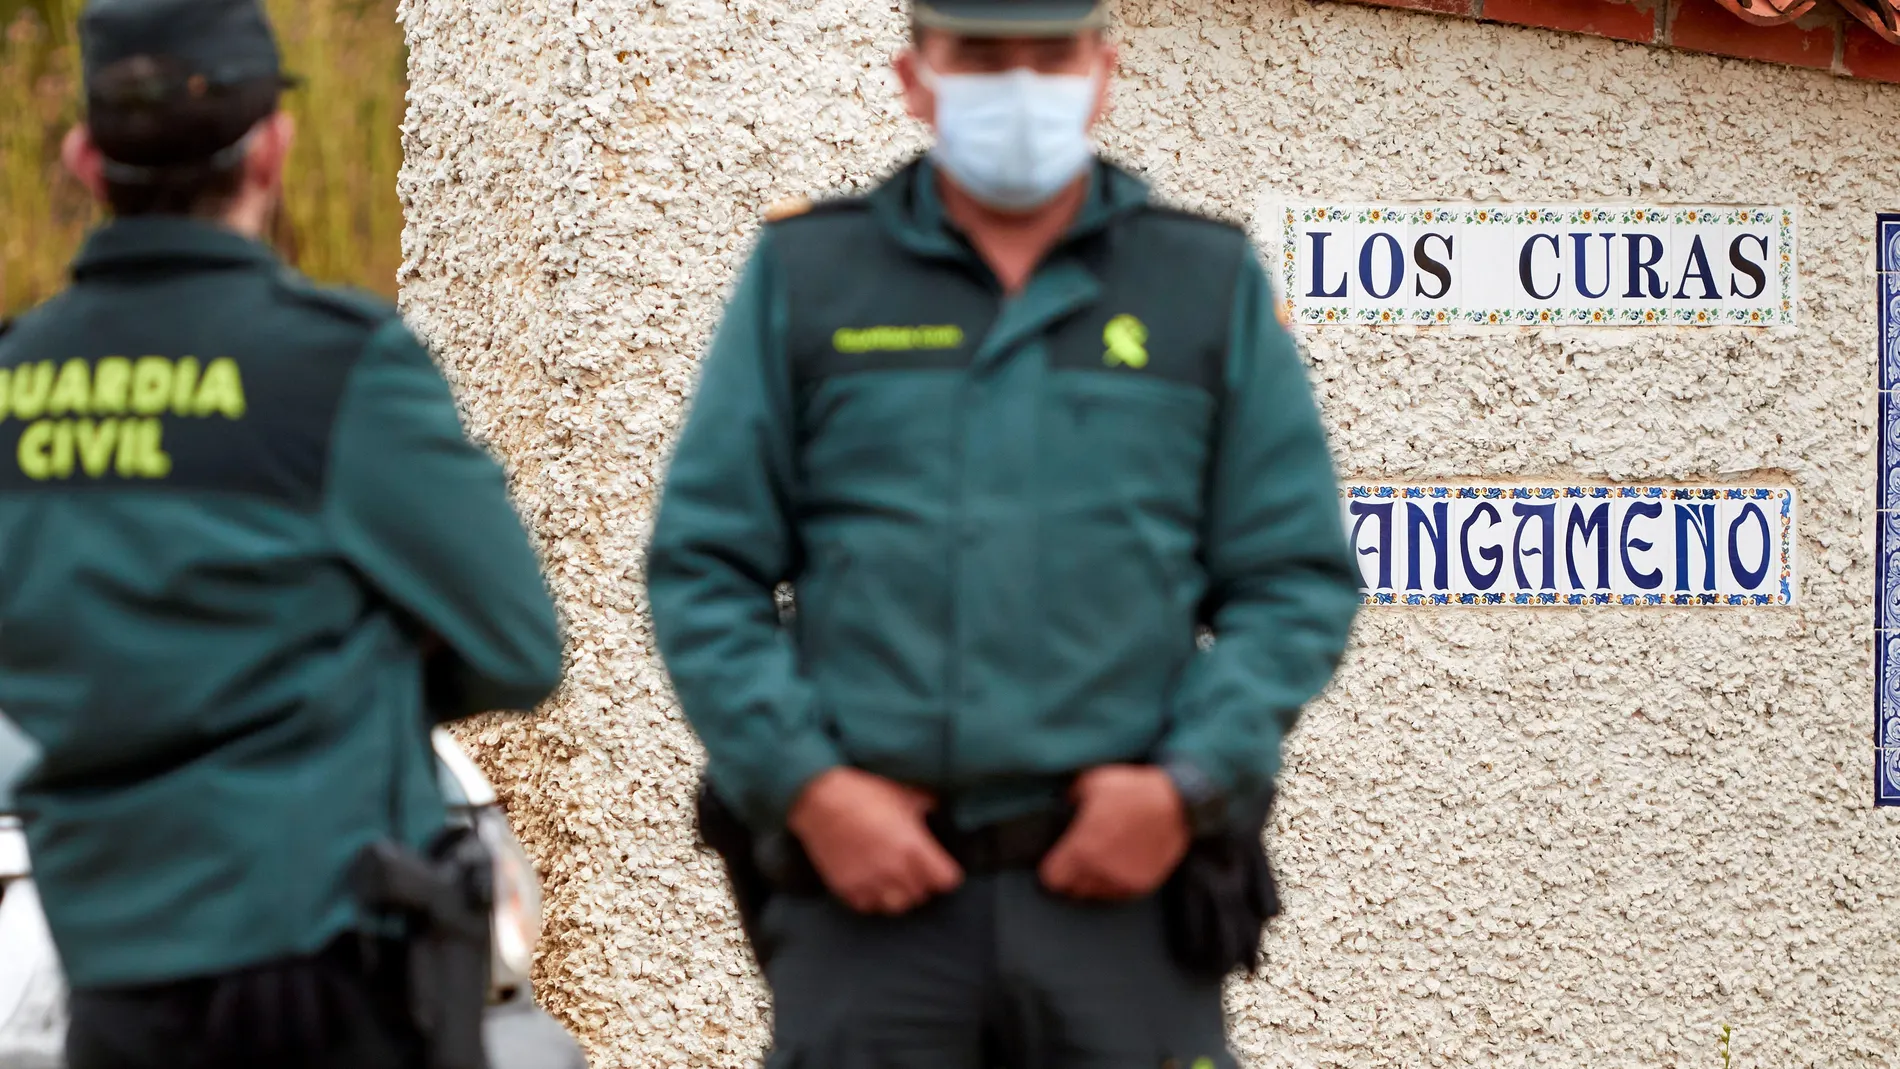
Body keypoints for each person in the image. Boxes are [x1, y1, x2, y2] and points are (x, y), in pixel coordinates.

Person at [646, 0, 1362, 1064]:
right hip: (872, 912)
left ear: (1103, 72)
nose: (1018, 85)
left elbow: (1293, 578)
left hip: (1121, 906)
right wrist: (809, 788)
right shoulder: (810, 278)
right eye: (981, 57)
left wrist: (1188, 783)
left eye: (1050, 56)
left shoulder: (1199, 284)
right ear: (914, 78)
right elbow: (705, 566)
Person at [0, 1, 564, 1067]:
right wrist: (349, 680)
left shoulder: (14, 384)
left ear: (85, 158)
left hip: (112, 964)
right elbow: (519, 648)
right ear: (272, 148)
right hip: (326, 963)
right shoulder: (336, 367)